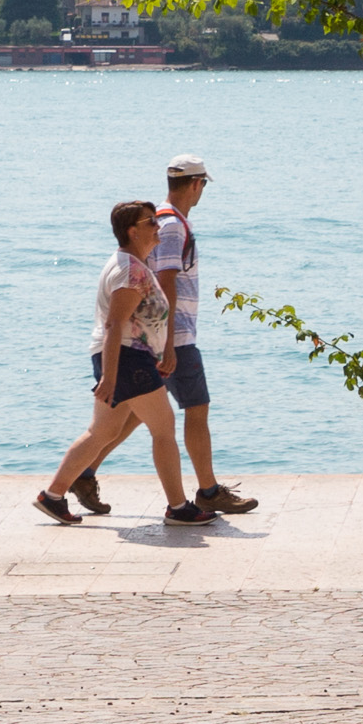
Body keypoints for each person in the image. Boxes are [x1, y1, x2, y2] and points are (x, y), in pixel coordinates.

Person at [35, 200, 208, 526]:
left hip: (130, 358)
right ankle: (178, 507)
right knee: (164, 427)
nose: (158, 227)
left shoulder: (133, 265)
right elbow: (115, 324)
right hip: (127, 359)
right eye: (150, 222)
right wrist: (111, 377)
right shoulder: (129, 271)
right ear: (132, 230)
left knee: (102, 431)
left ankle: (53, 496)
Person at [152, 154, 258, 516]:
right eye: (204, 185)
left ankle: (83, 475)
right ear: (196, 185)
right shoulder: (172, 226)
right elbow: (166, 281)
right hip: (175, 337)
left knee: (129, 415)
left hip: (161, 335)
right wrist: (169, 344)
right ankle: (209, 491)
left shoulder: (164, 221)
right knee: (197, 408)